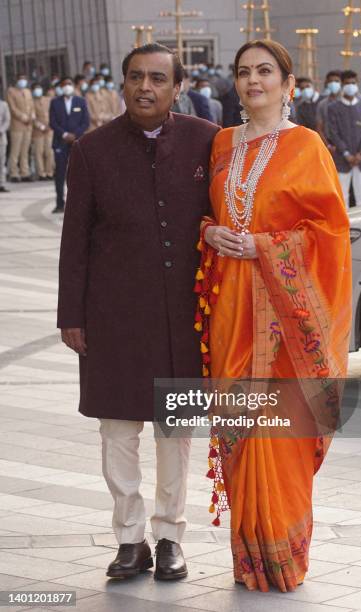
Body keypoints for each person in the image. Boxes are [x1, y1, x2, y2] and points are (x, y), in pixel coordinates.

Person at [57, 43, 219, 581]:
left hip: (183, 316)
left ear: (177, 87)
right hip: (114, 316)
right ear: (122, 84)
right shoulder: (91, 149)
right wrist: (71, 315)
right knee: (116, 432)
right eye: (134, 77)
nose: (144, 87)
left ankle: (170, 536)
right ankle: (130, 540)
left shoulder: (205, 140)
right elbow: (74, 238)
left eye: (156, 78)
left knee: (176, 433)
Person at [197, 39, 351, 592]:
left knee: (278, 435)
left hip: (287, 322)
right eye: (243, 72)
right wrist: (209, 232)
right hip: (231, 312)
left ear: (288, 84)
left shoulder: (306, 145)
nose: (253, 80)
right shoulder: (219, 144)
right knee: (240, 431)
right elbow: (207, 215)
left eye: (265, 71)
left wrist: (264, 246)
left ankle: (283, 559)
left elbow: (330, 233)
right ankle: (248, 559)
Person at [328, 69, 361, 208]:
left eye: (353, 83)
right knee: (342, 197)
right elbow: (334, 133)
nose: (350, 86)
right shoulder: (333, 107)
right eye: (347, 83)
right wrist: (346, 153)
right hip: (342, 160)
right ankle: (344, 229)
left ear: (357, 84)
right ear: (342, 85)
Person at [49, 76, 89, 213]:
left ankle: (78, 203)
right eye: (64, 84)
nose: (67, 86)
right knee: (60, 173)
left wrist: (75, 135)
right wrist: (64, 134)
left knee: (77, 173)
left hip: (76, 143)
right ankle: (60, 203)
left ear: (73, 85)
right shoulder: (55, 102)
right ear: (60, 87)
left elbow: (85, 122)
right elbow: (52, 122)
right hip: (60, 142)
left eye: (69, 84)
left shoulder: (81, 101)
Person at [6, 74, 35, 182]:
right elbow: (12, 108)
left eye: (24, 79)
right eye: (21, 79)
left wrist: (32, 116)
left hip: (28, 125)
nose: (23, 81)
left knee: (25, 150)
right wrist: (23, 117)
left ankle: (25, 172)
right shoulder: (11, 91)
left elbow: (32, 106)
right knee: (15, 150)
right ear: (17, 80)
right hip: (17, 124)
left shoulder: (27, 91)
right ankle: (13, 173)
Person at [32, 83, 54, 180]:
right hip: (38, 132)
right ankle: (41, 174)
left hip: (49, 130)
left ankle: (49, 172)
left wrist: (51, 125)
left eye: (39, 88)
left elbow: (53, 113)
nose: (38, 90)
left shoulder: (48, 100)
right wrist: (41, 127)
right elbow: (33, 118)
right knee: (39, 153)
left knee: (49, 152)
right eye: (36, 89)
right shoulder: (31, 102)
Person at [316, 70, 342, 151]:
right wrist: (328, 145)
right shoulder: (322, 104)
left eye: (336, 81)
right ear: (327, 83)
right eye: (331, 81)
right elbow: (319, 128)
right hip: (330, 145)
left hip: (348, 146)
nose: (333, 83)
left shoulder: (347, 103)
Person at [0, 96, 11, 193]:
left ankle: (1, 184)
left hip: (1, 138)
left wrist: (1, 130)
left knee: (1, 162)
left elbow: (7, 120)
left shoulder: (3, 105)